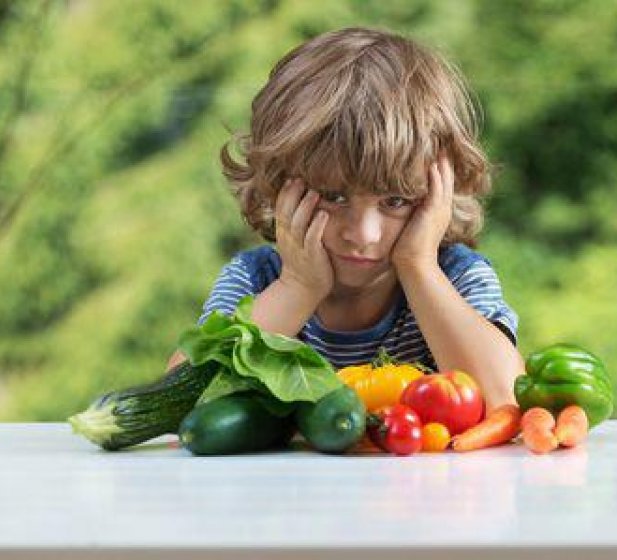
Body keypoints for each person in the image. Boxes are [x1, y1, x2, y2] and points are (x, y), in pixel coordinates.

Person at [167, 26, 523, 413]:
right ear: (280, 183)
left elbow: (506, 400)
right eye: (334, 197)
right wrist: (298, 287)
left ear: (438, 189)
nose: (363, 234)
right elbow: (180, 404)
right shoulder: (255, 281)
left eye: (396, 200)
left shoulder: (455, 277)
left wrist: (418, 267)